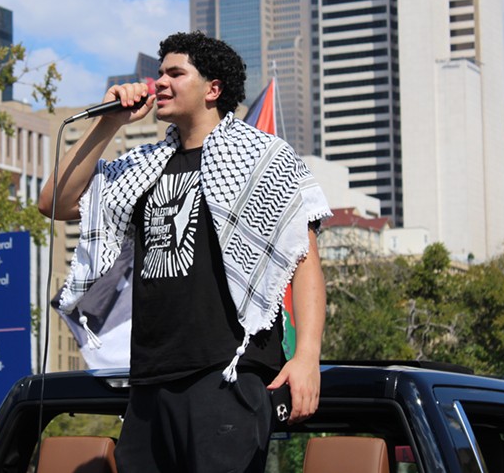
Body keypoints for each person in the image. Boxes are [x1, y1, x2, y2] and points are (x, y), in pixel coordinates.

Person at [39, 31, 331, 472]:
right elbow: (54, 201)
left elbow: (303, 259)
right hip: (150, 379)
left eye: (176, 73)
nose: (160, 83)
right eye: (159, 73)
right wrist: (109, 122)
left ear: (213, 89)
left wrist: (307, 355)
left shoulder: (264, 159)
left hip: (227, 375)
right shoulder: (144, 164)